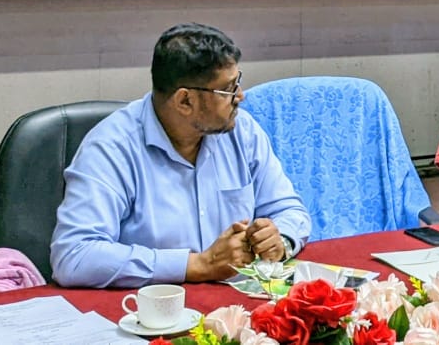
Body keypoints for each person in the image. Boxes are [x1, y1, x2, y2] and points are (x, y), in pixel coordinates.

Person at [51, 24, 309, 288]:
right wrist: (196, 265)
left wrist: (281, 240)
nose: (240, 96)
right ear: (184, 101)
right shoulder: (111, 147)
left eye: (238, 82)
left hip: (238, 306)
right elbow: (74, 256)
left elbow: (289, 210)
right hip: (150, 310)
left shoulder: (242, 131)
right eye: (228, 89)